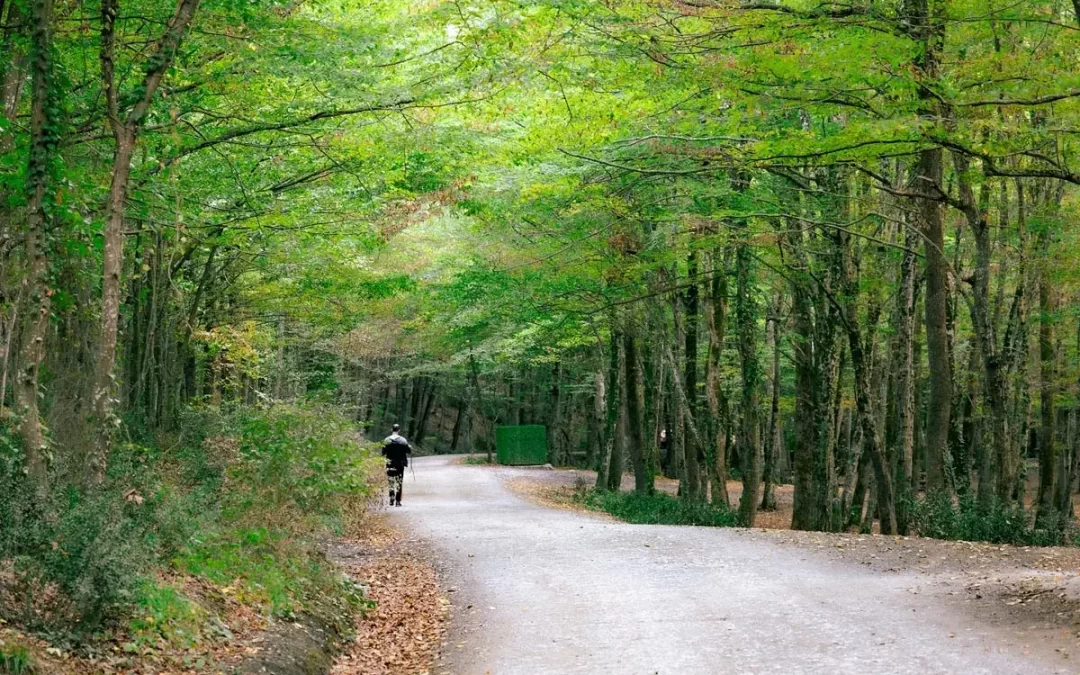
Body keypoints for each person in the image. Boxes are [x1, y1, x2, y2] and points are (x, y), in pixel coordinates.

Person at [381, 424, 411, 506]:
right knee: (399, 481)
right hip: (400, 464)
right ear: (399, 430)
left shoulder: (387, 440)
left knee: (390, 480)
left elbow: (383, 452)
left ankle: (391, 497)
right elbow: (408, 451)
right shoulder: (403, 440)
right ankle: (398, 501)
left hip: (389, 463)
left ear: (392, 429)